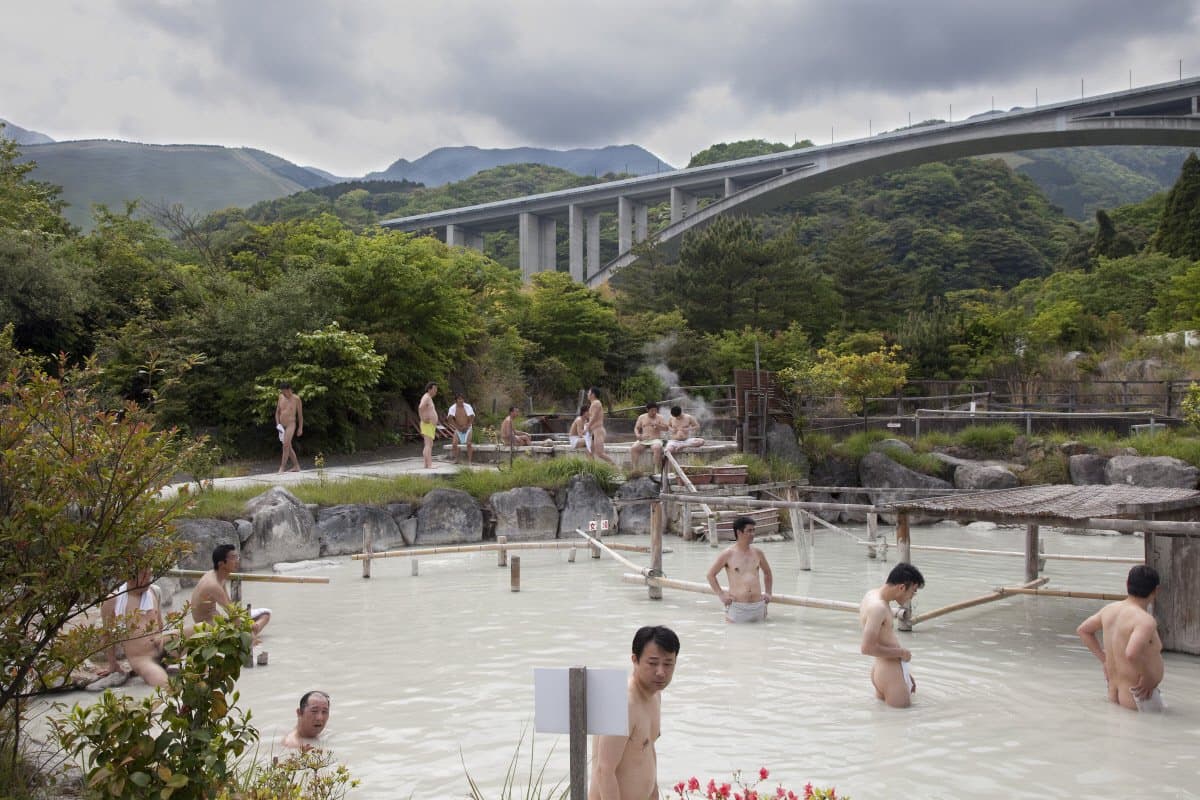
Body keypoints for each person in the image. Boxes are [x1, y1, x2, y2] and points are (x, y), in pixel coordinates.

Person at [590, 626, 679, 800]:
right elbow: (604, 771)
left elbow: (648, 752)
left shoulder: (655, 696)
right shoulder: (622, 703)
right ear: (635, 660)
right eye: (652, 663)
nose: (661, 672)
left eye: (668, 664)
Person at [1076, 565, 1165, 712]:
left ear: (1127, 584)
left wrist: (1104, 659)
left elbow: (1083, 630)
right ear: (1156, 590)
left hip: (1114, 692)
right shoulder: (1145, 620)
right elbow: (1131, 653)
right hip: (1139, 696)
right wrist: (1149, 677)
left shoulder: (1109, 610)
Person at [859, 562, 924, 708]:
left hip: (883, 669)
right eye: (913, 592)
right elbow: (866, 648)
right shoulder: (879, 608)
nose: (911, 597)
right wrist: (902, 653)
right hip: (889, 673)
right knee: (902, 722)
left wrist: (905, 674)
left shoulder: (872, 595)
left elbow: (883, 638)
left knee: (888, 723)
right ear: (901, 587)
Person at [97, 567, 168, 688]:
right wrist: (113, 664)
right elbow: (106, 634)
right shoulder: (113, 599)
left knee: (202, 631)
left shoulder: (154, 591)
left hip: (162, 646)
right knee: (164, 683)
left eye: (150, 575)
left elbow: (160, 625)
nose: (149, 579)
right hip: (142, 658)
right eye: (144, 576)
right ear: (130, 578)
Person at [191, 544, 272, 640]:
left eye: (237, 557)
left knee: (265, 614)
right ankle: (253, 632)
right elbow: (233, 616)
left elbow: (230, 606)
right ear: (221, 564)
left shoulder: (219, 576)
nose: (237, 561)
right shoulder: (213, 585)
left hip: (217, 619)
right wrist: (248, 634)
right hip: (209, 627)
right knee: (258, 622)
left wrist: (244, 620)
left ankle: (254, 630)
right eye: (233, 558)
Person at [706, 516, 774, 623]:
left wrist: (769, 593)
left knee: (761, 638)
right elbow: (710, 575)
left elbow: (767, 573)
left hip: (758, 605)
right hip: (737, 607)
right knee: (734, 637)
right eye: (749, 531)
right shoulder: (728, 554)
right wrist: (721, 595)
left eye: (753, 530)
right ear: (739, 532)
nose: (753, 534)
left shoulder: (758, 553)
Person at [629, 402, 670, 472]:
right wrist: (638, 435)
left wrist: (657, 425)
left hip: (655, 439)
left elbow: (666, 428)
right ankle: (635, 469)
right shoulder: (641, 417)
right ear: (647, 410)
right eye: (652, 410)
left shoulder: (660, 417)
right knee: (634, 448)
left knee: (657, 448)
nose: (654, 412)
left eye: (655, 410)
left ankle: (656, 470)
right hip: (644, 439)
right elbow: (636, 428)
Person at [275, 382, 304, 472]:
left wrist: (300, 428)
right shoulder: (281, 397)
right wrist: (278, 424)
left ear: (289, 390)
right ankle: (296, 466)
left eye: (284, 391)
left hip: (291, 424)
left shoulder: (296, 399)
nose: (283, 393)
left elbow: (300, 415)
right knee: (288, 446)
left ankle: (282, 467)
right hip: (281, 426)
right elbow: (277, 412)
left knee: (286, 445)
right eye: (282, 392)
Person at [584, 387, 616, 465]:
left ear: (593, 394)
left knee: (600, 453)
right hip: (594, 431)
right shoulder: (593, 403)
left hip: (598, 430)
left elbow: (594, 417)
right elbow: (594, 418)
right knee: (589, 452)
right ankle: (593, 470)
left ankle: (617, 469)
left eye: (589, 392)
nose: (587, 394)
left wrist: (587, 427)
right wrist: (587, 424)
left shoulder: (596, 403)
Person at [445, 392, 475, 466]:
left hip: (468, 427)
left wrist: (467, 426)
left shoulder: (468, 406)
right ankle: (456, 459)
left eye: (462, 399)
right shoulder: (452, 408)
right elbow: (449, 419)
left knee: (469, 443)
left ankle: (469, 461)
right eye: (459, 399)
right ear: (456, 400)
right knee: (454, 444)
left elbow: (472, 417)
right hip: (458, 428)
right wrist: (458, 427)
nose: (461, 400)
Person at [418, 382, 439, 469]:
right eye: (434, 389)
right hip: (427, 424)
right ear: (429, 389)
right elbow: (420, 407)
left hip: (430, 425)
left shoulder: (428, 397)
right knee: (428, 445)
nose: (436, 391)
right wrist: (422, 418)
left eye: (436, 390)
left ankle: (426, 464)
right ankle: (429, 465)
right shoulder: (426, 397)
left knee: (429, 444)